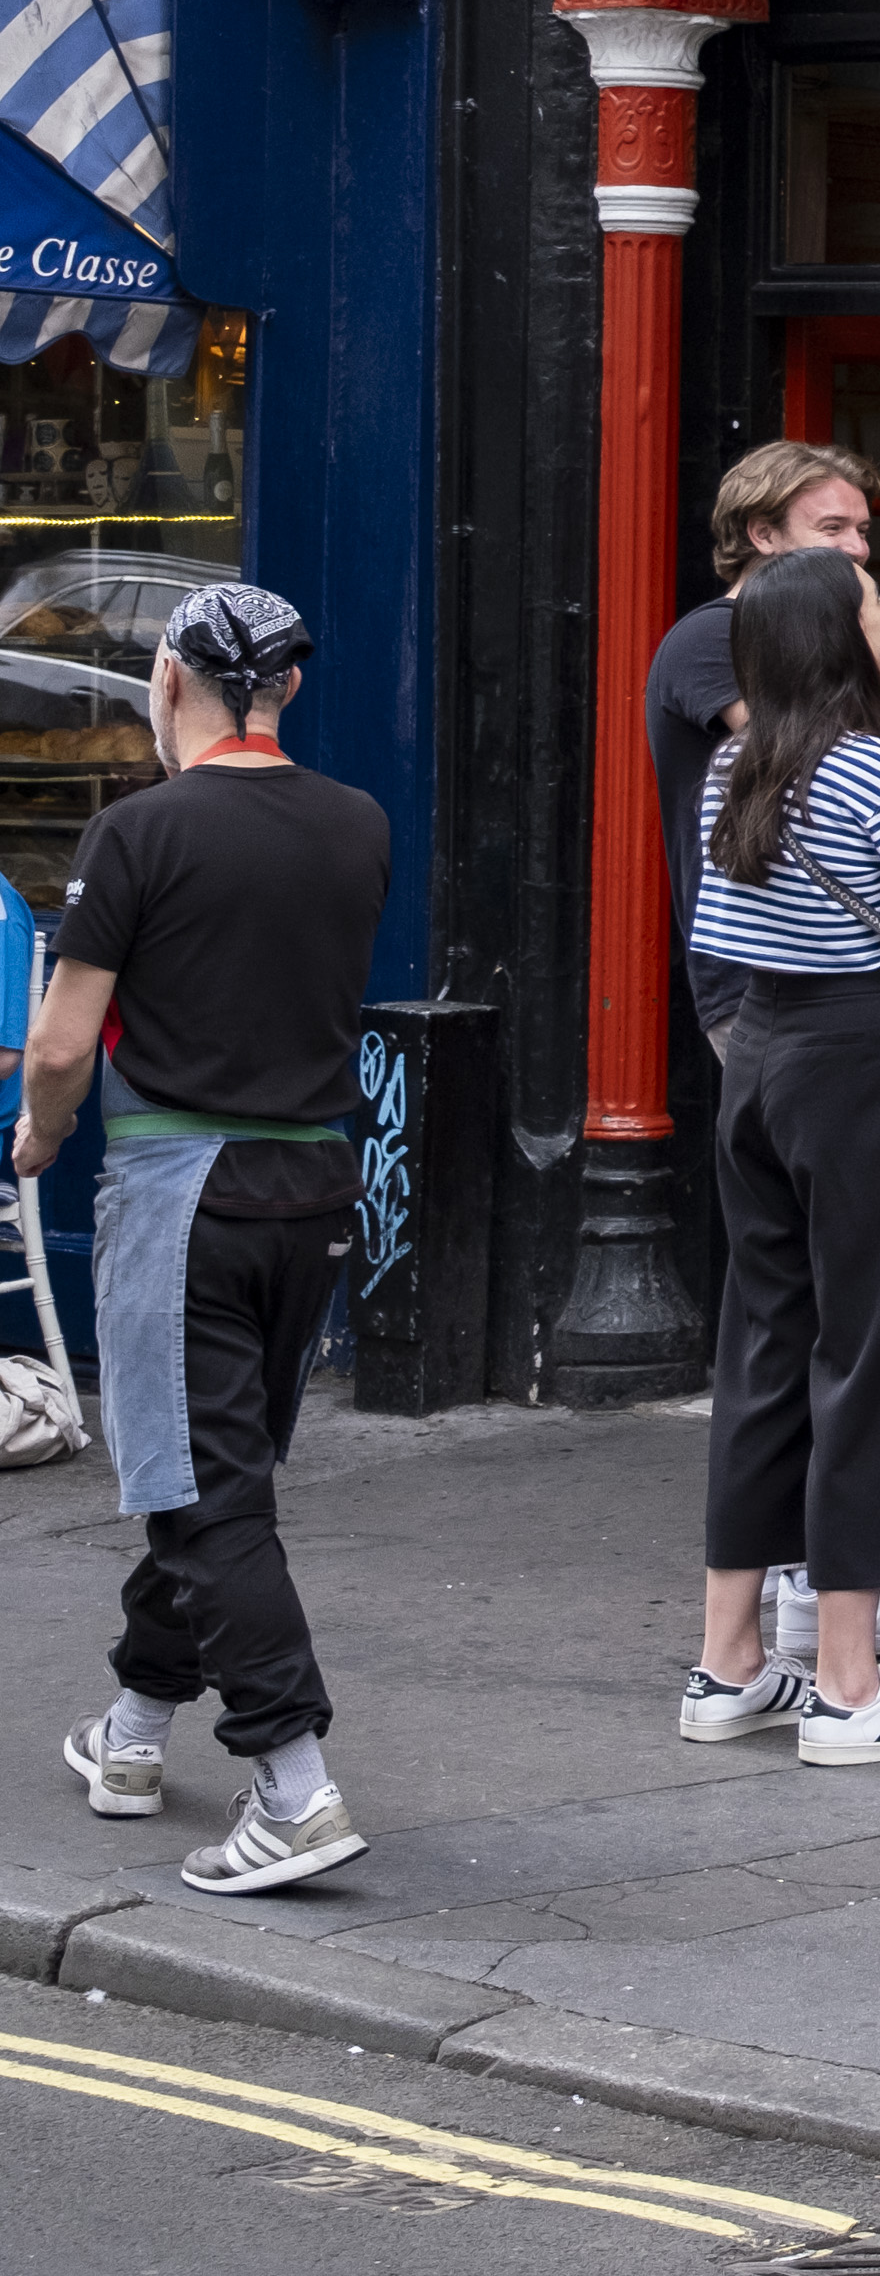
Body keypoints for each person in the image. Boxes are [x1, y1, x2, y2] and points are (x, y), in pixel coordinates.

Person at [29, 585, 390, 1889]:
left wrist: (35, 1133)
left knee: (196, 1491)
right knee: (217, 1473)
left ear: (169, 673)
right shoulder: (357, 822)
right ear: (288, 684)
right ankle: (131, 1727)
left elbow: (66, 1040)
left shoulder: (138, 828)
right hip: (310, 1191)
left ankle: (291, 1782)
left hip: (181, 1192)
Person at [679, 549, 880, 1766]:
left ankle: (728, 1664)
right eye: (874, 599)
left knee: (765, 1345)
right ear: (833, 635)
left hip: (760, 1055)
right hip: (868, 1059)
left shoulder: (733, 763)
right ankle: (852, 1684)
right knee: (875, 1351)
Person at [648, 439, 878, 1051]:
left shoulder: (829, 653)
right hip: (759, 975)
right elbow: (829, 760)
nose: (857, 547)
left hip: (846, 964)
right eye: (832, 528)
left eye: (861, 529)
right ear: (763, 534)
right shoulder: (713, 635)